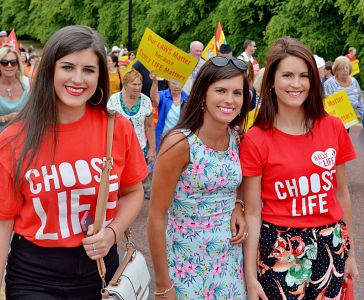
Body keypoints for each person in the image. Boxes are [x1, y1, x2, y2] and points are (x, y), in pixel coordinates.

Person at [0, 25, 148, 299]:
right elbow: (3, 222)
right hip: (34, 275)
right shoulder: (13, 139)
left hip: (102, 271)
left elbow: (134, 191)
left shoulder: (118, 128)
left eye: (89, 70)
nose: (78, 79)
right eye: (68, 67)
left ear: (99, 76)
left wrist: (112, 233)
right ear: (50, 71)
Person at [240, 37, 359, 300]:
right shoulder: (256, 139)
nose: (296, 84)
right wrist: (250, 276)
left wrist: (350, 253)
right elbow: (252, 212)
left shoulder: (333, 127)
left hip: (332, 243)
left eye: (304, 75)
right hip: (280, 249)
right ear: (271, 80)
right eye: (287, 75)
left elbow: (342, 194)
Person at [148, 56, 250, 299]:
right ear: (203, 93)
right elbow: (156, 216)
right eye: (221, 90)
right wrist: (163, 284)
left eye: (237, 92)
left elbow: (243, 180)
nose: (230, 100)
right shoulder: (180, 144)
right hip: (187, 268)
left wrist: (238, 204)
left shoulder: (237, 137)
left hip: (229, 264)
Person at [150, 71, 189, 151]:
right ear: (169, 83)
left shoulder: (187, 99)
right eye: (173, 83)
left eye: (179, 83)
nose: (176, 86)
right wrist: (154, 81)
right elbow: (154, 99)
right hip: (162, 139)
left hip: (179, 140)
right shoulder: (163, 95)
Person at [324, 56, 364, 120]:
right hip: (335, 121)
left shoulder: (354, 81)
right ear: (336, 70)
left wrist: (360, 114)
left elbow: (360, 102)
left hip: (352, 119)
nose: (345, 70)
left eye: (347, 68)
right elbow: (326, 105)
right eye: (342, 68)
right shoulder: (329, 83)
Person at [0, 45, 30, 132]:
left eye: (13, 62)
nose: (9, 65)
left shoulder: (28, 84)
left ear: (18, 64)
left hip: (24, 138)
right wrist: (7, 118)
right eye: (4, 62)